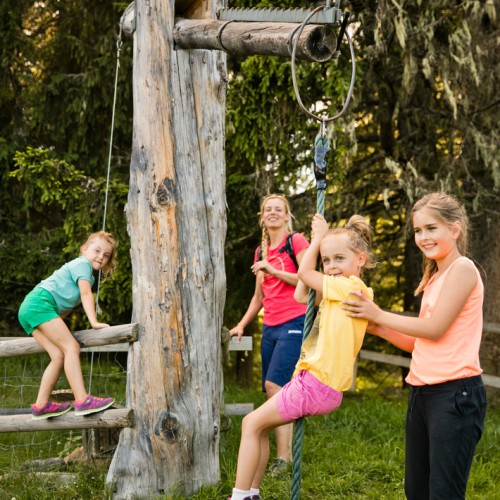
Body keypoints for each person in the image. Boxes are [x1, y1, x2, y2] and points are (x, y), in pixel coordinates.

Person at [342, 192, 487, 500]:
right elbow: (418, 342)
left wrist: (379, 313)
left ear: (455, 228)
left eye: (431, 228)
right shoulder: (435, 275)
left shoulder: (463, 269)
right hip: (421, 393)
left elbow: (434, 330)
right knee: (416, 491)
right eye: (418, 231)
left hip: (454, 396)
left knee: (443, 493)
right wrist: (374, 325)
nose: (423, 237)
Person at [229, 212, 375, 500]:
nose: (331, 267)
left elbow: (305, 275)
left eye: (339, 259)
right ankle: (251, 493)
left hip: (316, 383)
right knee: (258, 428)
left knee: (250, 424)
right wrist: (314, 258)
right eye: (326, 260)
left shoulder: (349, 287)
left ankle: (239, 496)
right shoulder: (342, 290)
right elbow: (300, 295)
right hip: (319, 384)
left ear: (360, 259)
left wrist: (317, 240)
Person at [229, 194, 309, 471]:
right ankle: (278, 450)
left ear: (287, 216)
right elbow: (258, 298)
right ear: (262, 217)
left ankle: (284, 458)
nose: (273, 213)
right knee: (271, 390)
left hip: (295, 321)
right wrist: (241, 323)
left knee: (276, 386)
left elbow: (308, 279)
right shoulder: (260, 252)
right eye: (268, 210)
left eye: (279, 209)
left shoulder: (295, 241)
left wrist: (272, 269)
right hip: (270, 326)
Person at [18, 231, 117, 420]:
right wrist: (94, 322)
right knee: (72, 347)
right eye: (97, 251)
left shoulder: (88, 274)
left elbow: (65, 308)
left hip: (30, 308)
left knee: (57, 355)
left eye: (106, 255)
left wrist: (58, 326)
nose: (101, 257)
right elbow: (86, 295)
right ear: (85, 249)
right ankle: (82, 400)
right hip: (38, 304)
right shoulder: (82, 265)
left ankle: (41, 405)